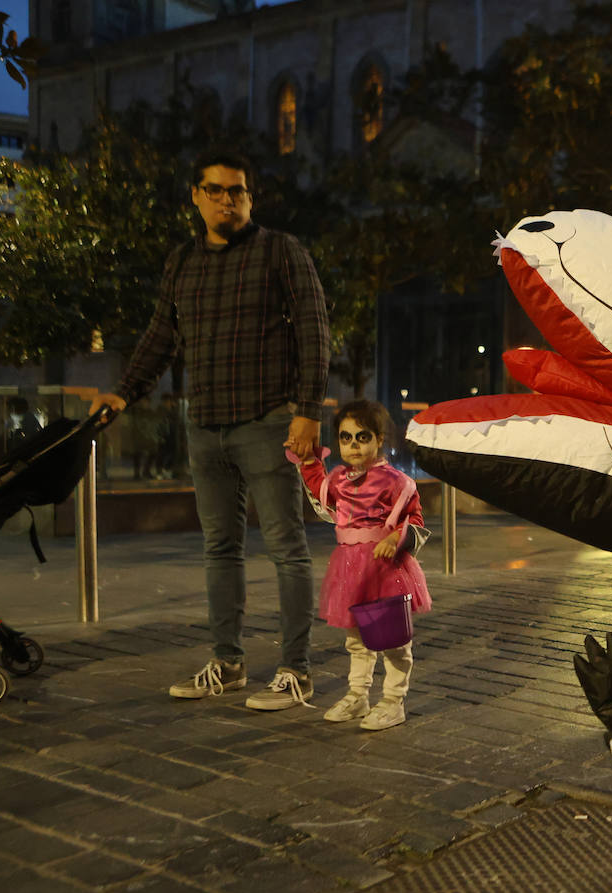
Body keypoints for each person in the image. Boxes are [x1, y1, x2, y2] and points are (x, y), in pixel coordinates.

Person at [90, 148, 330, 709]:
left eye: (238, 190)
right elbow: (160, 336)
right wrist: (124, 392)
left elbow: (315, 331)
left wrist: (307, 411)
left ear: (250, 197)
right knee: (219, 548)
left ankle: (297, 669)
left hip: (269, 421)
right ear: (196, 197)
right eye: (216, 190)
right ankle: (227, 662)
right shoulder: (182, 262)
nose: (228, 199)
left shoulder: (280, 251)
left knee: (286, 548)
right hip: (207, 426)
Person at [292, 400, 431, 731]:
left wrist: (395, 538)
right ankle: (358, 695)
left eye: (362, 437)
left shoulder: (395, 482)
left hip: (385, 570)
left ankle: (393, 701)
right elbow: (318, 488)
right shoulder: (339, 479)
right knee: (356, 638)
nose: (353, 445)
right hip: (350, 570)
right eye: (345, 437)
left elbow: (415, 519)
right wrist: (308, 458)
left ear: (379, 438)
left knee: (393, 639)